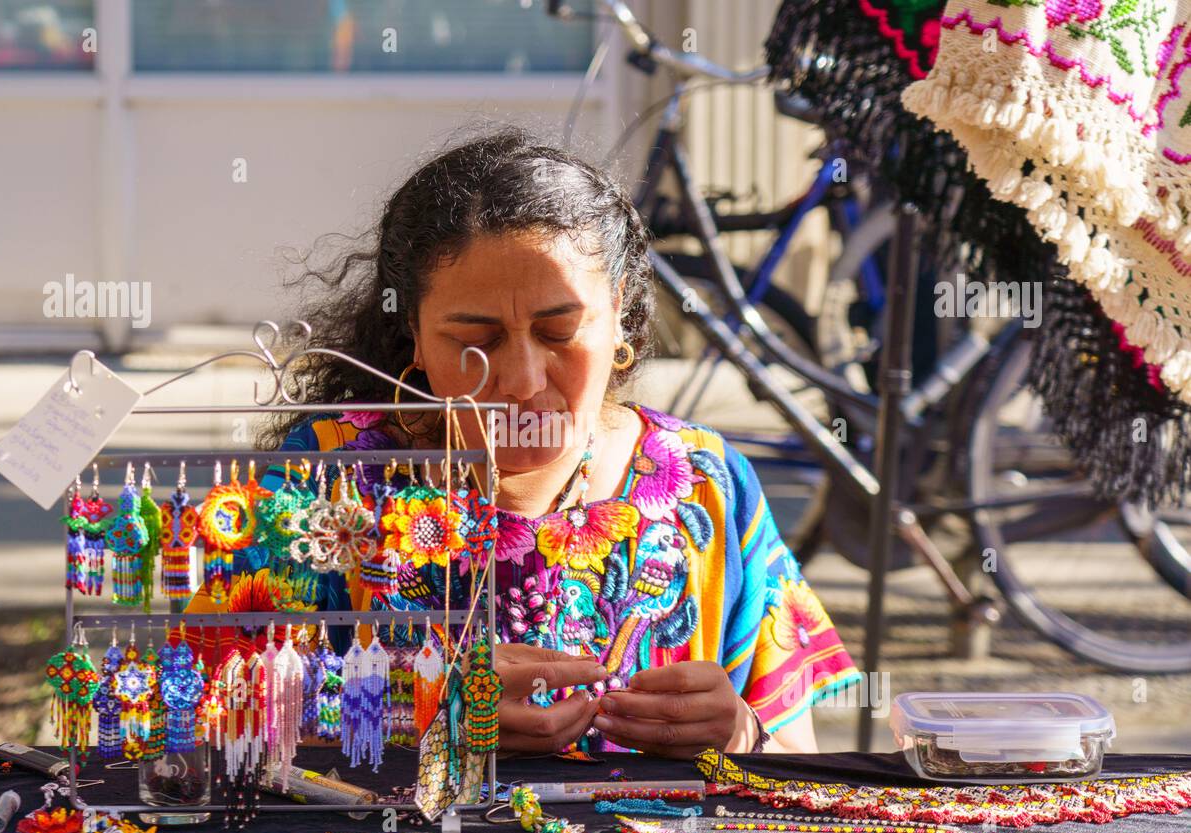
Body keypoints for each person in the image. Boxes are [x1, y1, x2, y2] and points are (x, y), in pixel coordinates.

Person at [183, 126, 861, 756]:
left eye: (560, 332)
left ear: (619, 313)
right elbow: (204, 717)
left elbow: (799, 765)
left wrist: (743, 736)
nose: (522, 379)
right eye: (475, 342)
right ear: (413, 334)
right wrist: (420, 709)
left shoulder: (703, 485)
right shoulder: (327, 478)